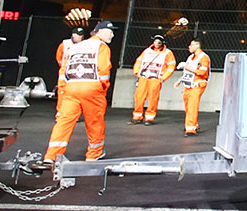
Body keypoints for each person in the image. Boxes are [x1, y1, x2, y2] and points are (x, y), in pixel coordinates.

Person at [45, 21, 114, 165]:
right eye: (110, 31)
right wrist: (102, 88)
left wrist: (64, 88)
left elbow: (64, 69)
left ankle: (52, 155)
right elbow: (104, 70)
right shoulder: (101, 46)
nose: (112, 34)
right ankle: (94, 154)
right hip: (92, 88)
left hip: (71, 88)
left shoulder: (75, 47)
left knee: (64, 122)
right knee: (95, 122)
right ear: (99, 31)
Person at [129, 35, 177, 124]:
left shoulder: (167, 53)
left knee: (153, 99)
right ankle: (137, 116)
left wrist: (163, 77)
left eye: (159, 42)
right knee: (139, 97)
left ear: (162, 43)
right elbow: (139, 61)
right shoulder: (147, 51)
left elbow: (171, 65)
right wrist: (137, 72)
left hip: (156, 79)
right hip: (144, 77)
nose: (156, 44)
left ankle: (149, 118)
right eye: (155, 42)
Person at [178, 40, 212, 136]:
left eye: (191, 45)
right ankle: (194, 124)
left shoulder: (204, 58)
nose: (189, 47)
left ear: (197, 46)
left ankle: (190, 129)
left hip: (197, 85)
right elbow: (187, 73)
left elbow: (202, 72)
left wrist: (186, 67)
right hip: (189, 84)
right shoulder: (190, 57)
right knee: (188, 106)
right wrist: (180, 80)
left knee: (192, 106)